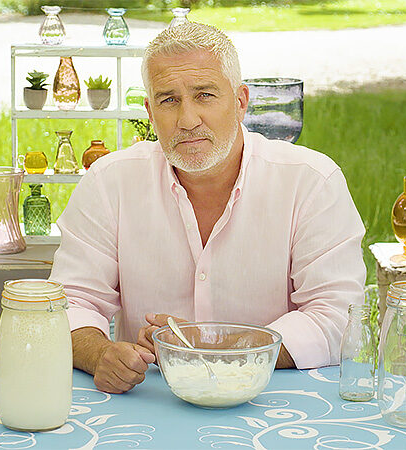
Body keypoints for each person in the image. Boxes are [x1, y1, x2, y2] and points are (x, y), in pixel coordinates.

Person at [50, 22, 366, 394]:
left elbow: (338, 318)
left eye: (204, 95)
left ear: (241, 101)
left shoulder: (312, 182)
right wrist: (99, 353)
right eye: (169, 100)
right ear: (150, 113)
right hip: (150, 399)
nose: (187, 120)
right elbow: (67, 302)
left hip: (276, 400)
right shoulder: (108, 182)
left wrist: (215, 347)